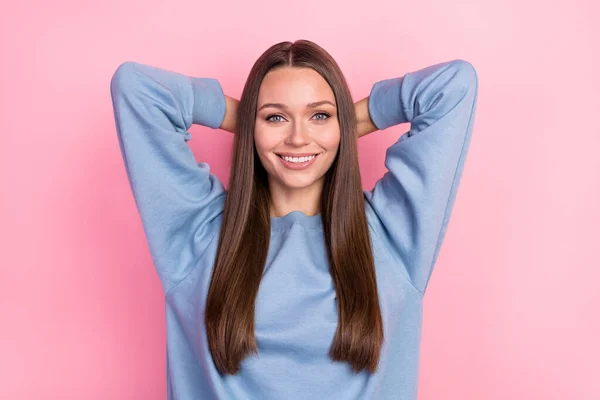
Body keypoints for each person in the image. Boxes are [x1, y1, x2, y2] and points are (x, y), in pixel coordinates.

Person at [109, 39, 478, 400]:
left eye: (320, 115)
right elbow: (136, 87)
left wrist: (345, 124)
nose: (298, 137)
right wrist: (253, 125)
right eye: (276, 116)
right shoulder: (199, 233)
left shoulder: (392, 233)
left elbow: (452, 85)